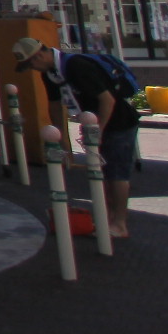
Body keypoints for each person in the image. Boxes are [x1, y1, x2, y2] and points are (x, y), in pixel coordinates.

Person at [16, 35, 137, 239]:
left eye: (31, 64)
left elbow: (107, 100)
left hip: (120, 123)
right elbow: (55, 106)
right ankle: (107, 220)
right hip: (96, 123)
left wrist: (98, 130)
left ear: (39, 56)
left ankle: (119, 223)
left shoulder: (76, 66)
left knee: (117, 174)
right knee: (103, 173)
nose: (33, 69)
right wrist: (62, 141)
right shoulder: (51, 73)